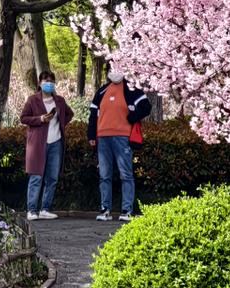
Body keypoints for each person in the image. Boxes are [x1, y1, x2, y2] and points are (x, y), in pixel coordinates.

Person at [87, 67, 150, 221]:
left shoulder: (131, 89)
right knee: (104, 175)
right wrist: (91, 135)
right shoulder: (102, 91)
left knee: (126, 174)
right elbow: (93, 115)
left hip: (123, 137)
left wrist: (132, 117)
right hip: (103, 137)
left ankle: (127, 210)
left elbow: (146, 107)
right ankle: (105, 209)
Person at [20, 70, 73, 220]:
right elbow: (23, 118)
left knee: (52, 177)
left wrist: (61, 123)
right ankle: (31, 210)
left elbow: (69, 114)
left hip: (56, 143)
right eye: (45, 81)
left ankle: (45, 208)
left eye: (51, 81)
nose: (48, 83)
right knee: (36, 176)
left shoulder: (60, 101)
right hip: (37, 143)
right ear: (39, 83)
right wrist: (40, 119)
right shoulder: (32, 100)